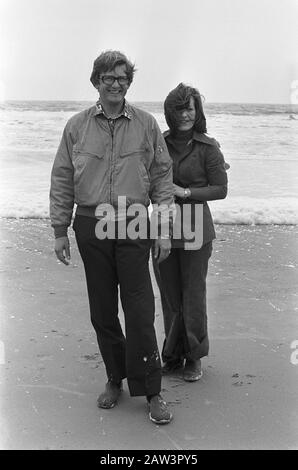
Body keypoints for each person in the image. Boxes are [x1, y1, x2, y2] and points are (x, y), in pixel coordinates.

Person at [49, 50, 174, 424]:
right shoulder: (76, 126)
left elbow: (163, 180)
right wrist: (59, 230)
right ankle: (114, 377)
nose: (116, 84)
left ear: (128, 83)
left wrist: (164, 229)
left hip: (134, 221)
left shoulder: (147, 124)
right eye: (109, 78)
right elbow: (61, 178)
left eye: (122, 78)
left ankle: (151, 390)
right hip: (90, 222)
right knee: (103, 310)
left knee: (139, 309)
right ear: (96, 82)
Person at [153, 83, 228, 382]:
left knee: (193, 296)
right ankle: (172, 356)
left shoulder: (209, 147)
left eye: (190, 108)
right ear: (170, 112)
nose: (185, 114)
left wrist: (184, 191)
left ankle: (194, 357)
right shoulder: (159, 142)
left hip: (197, 226)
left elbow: (221, 189)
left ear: (197, 112)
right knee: (170, 296)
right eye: (179, 109)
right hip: (162, 226)